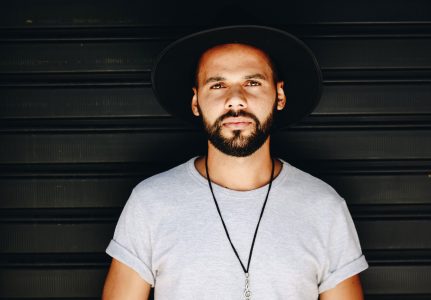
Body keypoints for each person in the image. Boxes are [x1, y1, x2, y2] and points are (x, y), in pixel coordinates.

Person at [102, 25, 368, 300]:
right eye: (217, 85)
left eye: (252, 83)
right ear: (195, 101)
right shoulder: (150, 203)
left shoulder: (324, 208)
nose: (235, 100)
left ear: (279, 96)